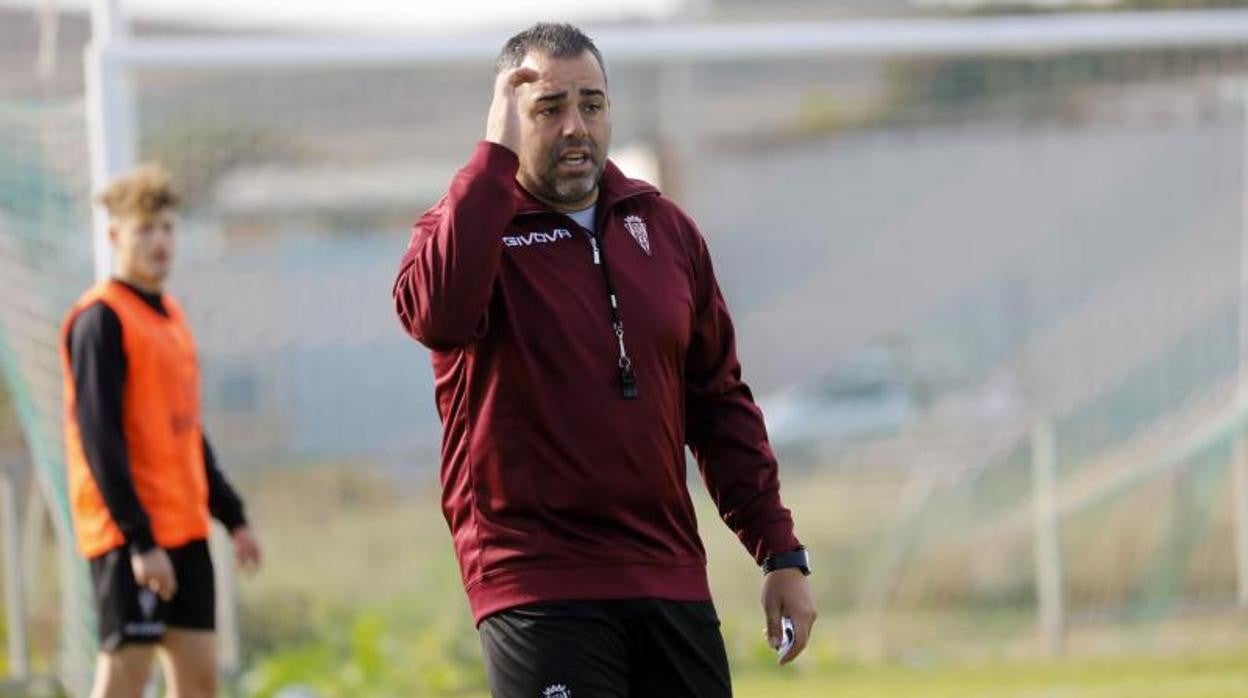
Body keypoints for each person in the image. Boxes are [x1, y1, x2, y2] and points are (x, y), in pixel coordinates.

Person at [392, 22, 816, 697]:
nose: (574, 127)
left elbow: (719, 404)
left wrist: (779, 551)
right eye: (548, 108)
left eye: (591, 104)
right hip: (536, 582)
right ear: (507, 119)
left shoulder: (667, 231)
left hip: (668, 574)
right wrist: (489, 159)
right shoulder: (468, 230)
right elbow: (435, 316)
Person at [60, 165, 262, 698]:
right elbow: (99, 439)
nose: (159, 241)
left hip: (185, 530)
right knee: (125, 678)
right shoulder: (100, 320)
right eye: (144, 229)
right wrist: (139, 540)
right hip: (131, 538)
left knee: (200, 684)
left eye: (167, 229)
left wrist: (232, 515)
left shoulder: (170, 315)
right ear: (114, 236)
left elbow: (185, 430)